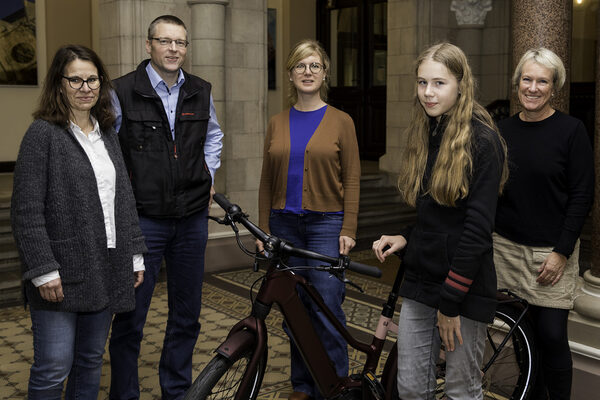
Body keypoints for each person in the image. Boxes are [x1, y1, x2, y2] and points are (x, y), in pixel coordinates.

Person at [372, 42, 508, 399]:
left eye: (439, 83)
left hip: (462, 287)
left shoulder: (483, 140)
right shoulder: (427, 132)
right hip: (421, 281)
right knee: (411, 389)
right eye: (422, 83)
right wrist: (407, 237)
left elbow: (476, 231)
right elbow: (439, 217)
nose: (428, 93)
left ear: (461, 84)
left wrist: (450, 304)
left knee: (462, 390)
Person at [11, 45, 146, 400]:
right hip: (60, 273)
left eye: (93, 79)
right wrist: (43, 268)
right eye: (75, 80)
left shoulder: (108, 132)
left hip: (104, 268)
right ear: (59, 84)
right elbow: (26, 211)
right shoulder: (43, 134)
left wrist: (134, 254)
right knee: (53, 367)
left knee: (89, 362)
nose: (85, 87)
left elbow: (123, 200)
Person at [108, 15, 224, 400]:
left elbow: (214, 136)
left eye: (180, 43)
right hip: (143, 222)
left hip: (191, 220)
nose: (174, 49)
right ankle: (124, 394)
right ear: (148, 45)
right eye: (165, 41)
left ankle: (176, 391)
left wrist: (208, 173)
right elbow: (108, 151)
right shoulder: (121, 91)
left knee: (187, 316)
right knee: (130, 317)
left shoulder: (201, 90)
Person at [258, 39, 360, 400]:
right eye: (300, 66)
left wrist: (348, 228)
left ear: (325, 73)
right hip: (284, 227)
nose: (307, 72)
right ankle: (303, 385)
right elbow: (267, 180)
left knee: (327, 306)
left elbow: (351, 177)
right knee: (294, 312)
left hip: (326, 225)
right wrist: (264, 229)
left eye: (314, 66)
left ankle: (336, 388)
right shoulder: (276, 122)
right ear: (290, 73)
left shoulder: (341, 121)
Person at [493, 48, 594, 400]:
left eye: (542, 81)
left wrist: (562, 252)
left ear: (555, 87)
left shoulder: (571, 131)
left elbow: (582, 196)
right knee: (522, 336)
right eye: (527, 79)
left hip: (552, 251)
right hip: (504, 248)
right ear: (517, 82)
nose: (533, 87)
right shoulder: (501, 130)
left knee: (551, 334)